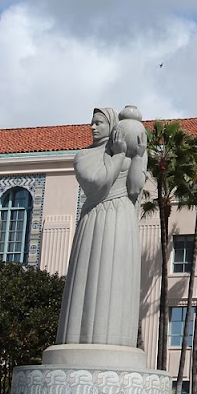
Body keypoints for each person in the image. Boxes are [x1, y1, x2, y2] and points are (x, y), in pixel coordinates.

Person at [56, 107, 147, 349]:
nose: (93, 128)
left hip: (123, 220)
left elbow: (136, 189)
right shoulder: (84, 156)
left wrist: (137, 156)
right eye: (92, 123)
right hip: (96, 219)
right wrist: (118, 156)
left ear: (113, 125)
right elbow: (98, 184)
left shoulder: (130, 153)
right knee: (91, 274)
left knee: (118, 278)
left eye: (99, 123)